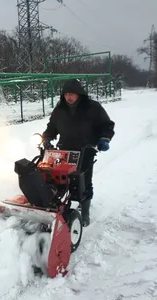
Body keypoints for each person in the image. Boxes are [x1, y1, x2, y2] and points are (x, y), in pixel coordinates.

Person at [42, 79, 115, 227]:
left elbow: (107, 125)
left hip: (85, 150)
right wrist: (47, 137)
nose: (69, 97)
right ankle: (56, 207)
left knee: (83, 181)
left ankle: (85, 211)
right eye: (66, 94)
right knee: (56, 178)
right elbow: (52, 127)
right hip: (64, 151)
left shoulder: (92, 107)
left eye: (72, 94)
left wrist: (104, 139)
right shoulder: (59, 109)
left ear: (79, 94)